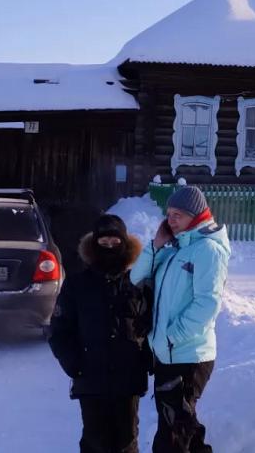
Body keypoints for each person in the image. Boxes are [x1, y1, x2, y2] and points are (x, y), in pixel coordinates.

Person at [130, 186, 231, 453]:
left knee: (173, 435)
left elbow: (207, 304)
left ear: (196, 215)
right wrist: (156, 245)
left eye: (178, 215)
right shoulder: (177, 247)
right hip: (169, 353)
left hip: (187, 355)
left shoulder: (208, 250)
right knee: (181, 428)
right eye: (169, 214)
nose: (171, 220)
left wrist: (171, 337)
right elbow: (136, 276)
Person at [48, 214, 151, 453]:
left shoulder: (138, 284)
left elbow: (151, 324)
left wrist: (144, 360)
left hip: (127, 379)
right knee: (96, 441)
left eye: (115, 243)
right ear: (94, 246)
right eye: (104, 243)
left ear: (125, 245)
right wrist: (75, 365)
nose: (110, 247)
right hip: (91, 379)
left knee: (126, 441)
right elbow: (59, 330)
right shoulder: (76, 285)